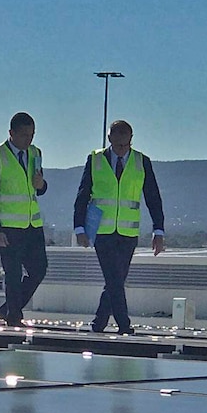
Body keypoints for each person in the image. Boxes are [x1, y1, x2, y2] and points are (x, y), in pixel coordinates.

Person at [73, 120, 165, 334]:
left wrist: (158, 230)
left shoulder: (142, 162)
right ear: (109, 139)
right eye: (118, 144)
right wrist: (79, 227)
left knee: (115, 280)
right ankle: (125, 325)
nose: (122, 149)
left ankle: (99, 323)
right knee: (114, 279)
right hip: (102, 231)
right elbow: (83, 194)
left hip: (127, 232)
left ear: (131, 140)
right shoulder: (95, 160)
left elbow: (153, 197)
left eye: (126, 145)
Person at [0, 112, 48, 328]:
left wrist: (42, 185)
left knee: (39, 270)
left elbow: (39, 188)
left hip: (32, 224)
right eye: (24, 135)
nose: (28, 140)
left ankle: (8, 308)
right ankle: (14, 318)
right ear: (11, 133)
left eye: (32, 135)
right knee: (13, 273)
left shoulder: (35, 153)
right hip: (8, 227)